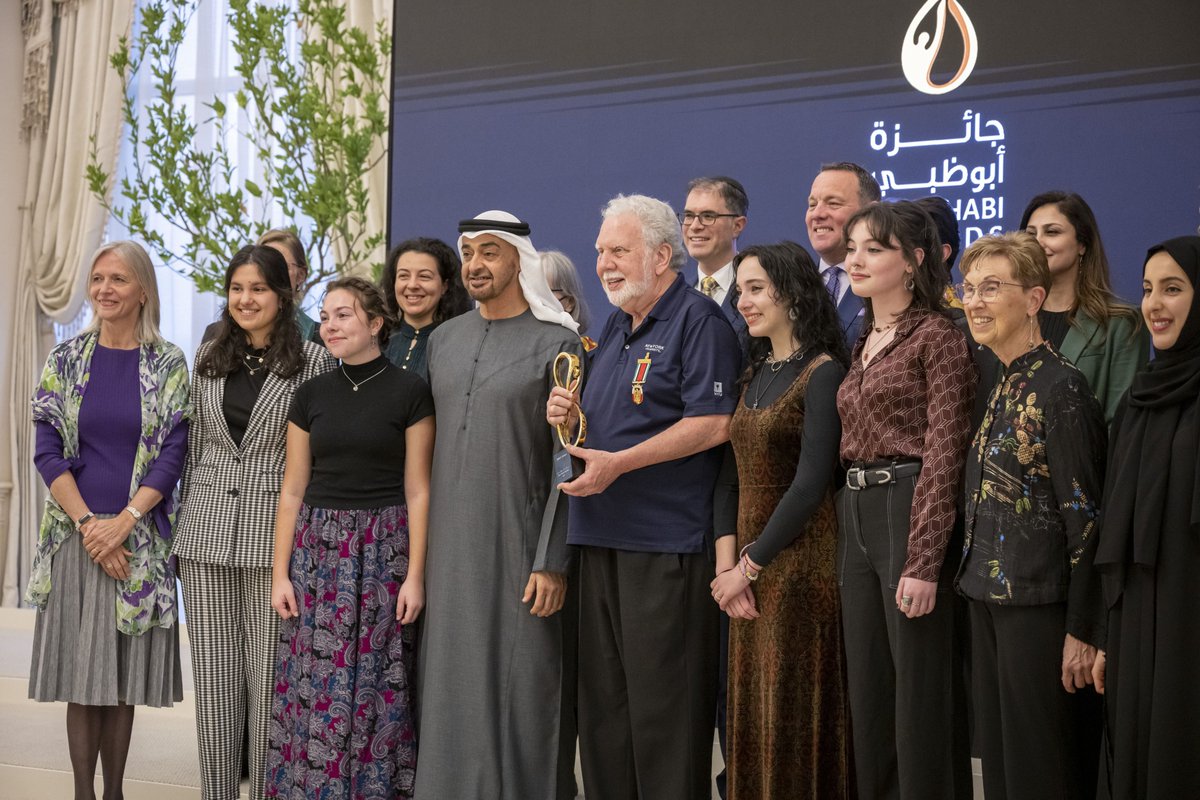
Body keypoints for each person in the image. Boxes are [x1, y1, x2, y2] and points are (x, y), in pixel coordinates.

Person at [547, 194, 741, 800]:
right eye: (601, 250)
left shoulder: (699, 321)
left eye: (618, 250)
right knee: (604, 717)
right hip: (596, 536)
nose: (603, 262)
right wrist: (572, 412)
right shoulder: (614, 324)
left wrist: (621, 464)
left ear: (661, 256)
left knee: (664, 719)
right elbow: (616, 416)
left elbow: (714, 423)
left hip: (665, 547)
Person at [414, 211, 582, 800]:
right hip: (446, 549)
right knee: (449, 683)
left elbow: (570, 459)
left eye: (490, 251)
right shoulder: (443, 340)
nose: (476, 264)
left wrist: (553, 559)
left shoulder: (558, 342)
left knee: (523, 686)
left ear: (518, 260)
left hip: (519, 547)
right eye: (468, 252)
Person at [27, 240, 189, 799]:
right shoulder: (65, 359)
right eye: (97, 279)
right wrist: (92, 528)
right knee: (82, 676)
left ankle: (115, 791)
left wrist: (123, 522)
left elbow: (173, 452)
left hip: (138, 540)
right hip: (76, 538)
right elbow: (47, 451)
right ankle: (82, 793)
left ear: (143, 289)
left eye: (117, 279)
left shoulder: (168, 363)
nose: (104, 290)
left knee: (121, 679)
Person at [173, 245, 335, 800]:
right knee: (215, 687)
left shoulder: (315, 361)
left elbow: (319, 462)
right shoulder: (209, 353)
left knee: (270, 688)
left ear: (283, 295)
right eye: (236, 289)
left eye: (258, 289)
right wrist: (180, 529)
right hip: (205, 538)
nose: (246, 299)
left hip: (277, 541)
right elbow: (194, 448)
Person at [265, 277, 433, 799]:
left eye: (343, 315)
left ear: (376, 323)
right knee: (313, 684)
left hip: (385, 549)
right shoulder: (310, 392)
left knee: (379, 682)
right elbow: (292, 489)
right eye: (326, 316)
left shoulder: (410, 391)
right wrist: (279, 573)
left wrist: (415, 578)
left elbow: (419, 490)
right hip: (318, 550)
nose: (329, 326)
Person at [955, 233, 1107, 800]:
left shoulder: (1062, 387)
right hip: (986, 599)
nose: (975, 301)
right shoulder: (1002, 379)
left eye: (992, 288)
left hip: (1040, 611)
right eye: (968, 289)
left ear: (1035, 298)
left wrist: (1084, 630)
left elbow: (1086, 521)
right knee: (998, 767)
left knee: (1038, 769)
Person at [835, 201, 975, 800]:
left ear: (914, 261)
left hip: (908, 507)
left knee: (917, 697)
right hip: (855, 511)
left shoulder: (939, 336)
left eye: (874, 248)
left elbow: (945, 453)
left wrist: (922, 562)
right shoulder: (862, 337)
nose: (856, 259)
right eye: (852, 248)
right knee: (867, 693)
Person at [710, 242, 853, 800]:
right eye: (740, 289)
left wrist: (750, 566)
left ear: (792, 294)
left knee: (793, 709)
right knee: (752, 713)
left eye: (755, 289)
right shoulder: (755, 372)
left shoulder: (824, 372)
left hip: (799, 570)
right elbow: (728, 477)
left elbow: (811, 482)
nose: (742, 301)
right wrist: (728, 570)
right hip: (745, 574)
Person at [1091, 236, 1200, 799]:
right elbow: (1119, 523)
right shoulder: (1140, 397)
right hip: (1137, 618)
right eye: (1148, 290)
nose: (1154, 305)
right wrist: (1109, 636)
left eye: (1174, 289)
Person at [1020, 192, 1148, 424]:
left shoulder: (1123, 323)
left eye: (1052, 232)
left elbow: (1120, 423)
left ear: (1082, 244)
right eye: (1030, 234)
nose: (1037, 242)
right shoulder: (1015, 318)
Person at [806, 162, 882, 348]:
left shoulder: (887, 287)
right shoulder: (792, 288)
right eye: (812, 204)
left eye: (833, 203)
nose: (817, 214)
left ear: (869, 212)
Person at [203, 229, 322, 345]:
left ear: (301, 275)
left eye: (281, 266)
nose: (269, 271)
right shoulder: (215, 335)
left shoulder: (319, 336)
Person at [379, 236, 472, 379]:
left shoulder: (460, 347)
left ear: (444, 286)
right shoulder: (376, 342)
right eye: (403, 276)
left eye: (424, 277)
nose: (412, 285)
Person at [681, 176, 749, 330]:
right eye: (689, 216)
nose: (695, 226)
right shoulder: (675, 298)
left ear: (737, 225)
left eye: (708, 216)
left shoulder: (762, 292)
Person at [541, 249, 593, 335]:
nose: (534, 300)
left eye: (545, 292)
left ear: (570, 303)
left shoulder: (576, 347)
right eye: (529, 292)